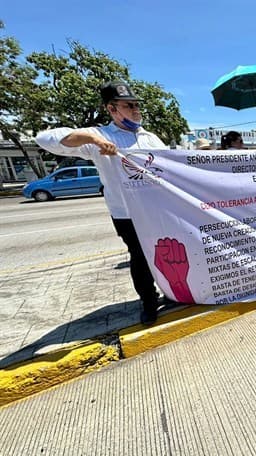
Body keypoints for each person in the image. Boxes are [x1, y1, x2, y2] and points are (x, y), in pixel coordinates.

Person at [35, 81, 167, 326]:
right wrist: (91, 138)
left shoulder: (150, 138)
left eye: (137, 105)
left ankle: (171, 292)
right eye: (129, 105)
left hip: (157, 210)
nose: (136, 110)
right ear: (112, 109)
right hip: (127, 213)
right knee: (140, 257)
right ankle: (148, 301)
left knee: (166, 251)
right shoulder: (101, 136)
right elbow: (44, 138)